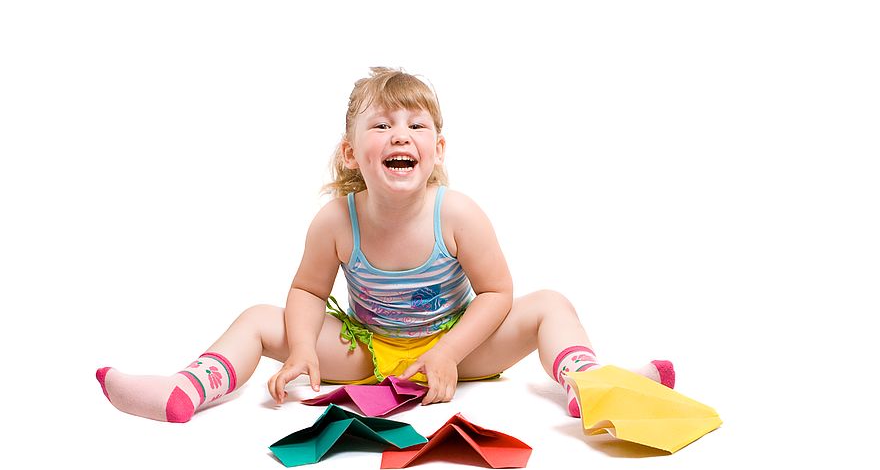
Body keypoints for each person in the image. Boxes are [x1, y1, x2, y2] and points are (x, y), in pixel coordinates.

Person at [96, 67, 674, 423]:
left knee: (550, 304)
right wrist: (301, 348)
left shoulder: (458, 214)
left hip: (458, 349)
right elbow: (306, 289)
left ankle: (593, 384)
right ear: (352, 153)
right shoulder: (336, 222)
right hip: (367, 351)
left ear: (438, 149)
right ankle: (189, 386)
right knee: (256, 317)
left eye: (416, 126)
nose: (400, 134)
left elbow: (498, 293)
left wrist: (448, 352)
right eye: (381, 125)